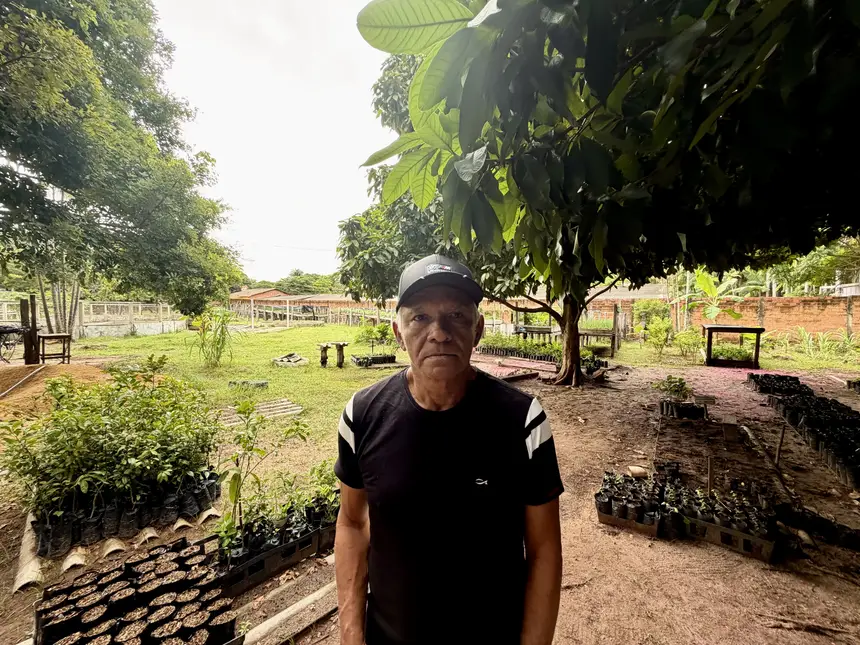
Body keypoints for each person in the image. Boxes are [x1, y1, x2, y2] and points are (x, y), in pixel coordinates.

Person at [335, 254, 563, 645]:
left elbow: (543, 550)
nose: (439, 333)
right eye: (420, 317)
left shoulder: (523, 420)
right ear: (398, 332)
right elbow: (353, 524)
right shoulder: (362, 415)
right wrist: (351, 633)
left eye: (456, 315)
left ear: (478, 329)